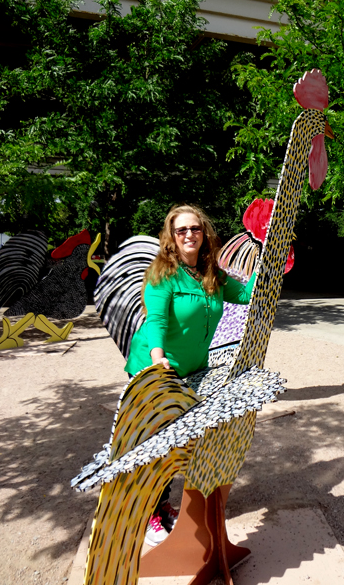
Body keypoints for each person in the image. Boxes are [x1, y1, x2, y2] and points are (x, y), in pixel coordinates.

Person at [125, 204, 256, 546]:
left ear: (204, 232)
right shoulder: (162, 275)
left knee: (180, 443)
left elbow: (245, 295)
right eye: (181, 230)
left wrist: (267, 266)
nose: (189, 235)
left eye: (194, 228)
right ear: (171, 237)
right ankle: (150, 513)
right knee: (154, 444)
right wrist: (157, 357)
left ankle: (164, 504)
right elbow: (157, 320)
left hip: (193, 369)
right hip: (156, 369)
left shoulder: (211, 273)